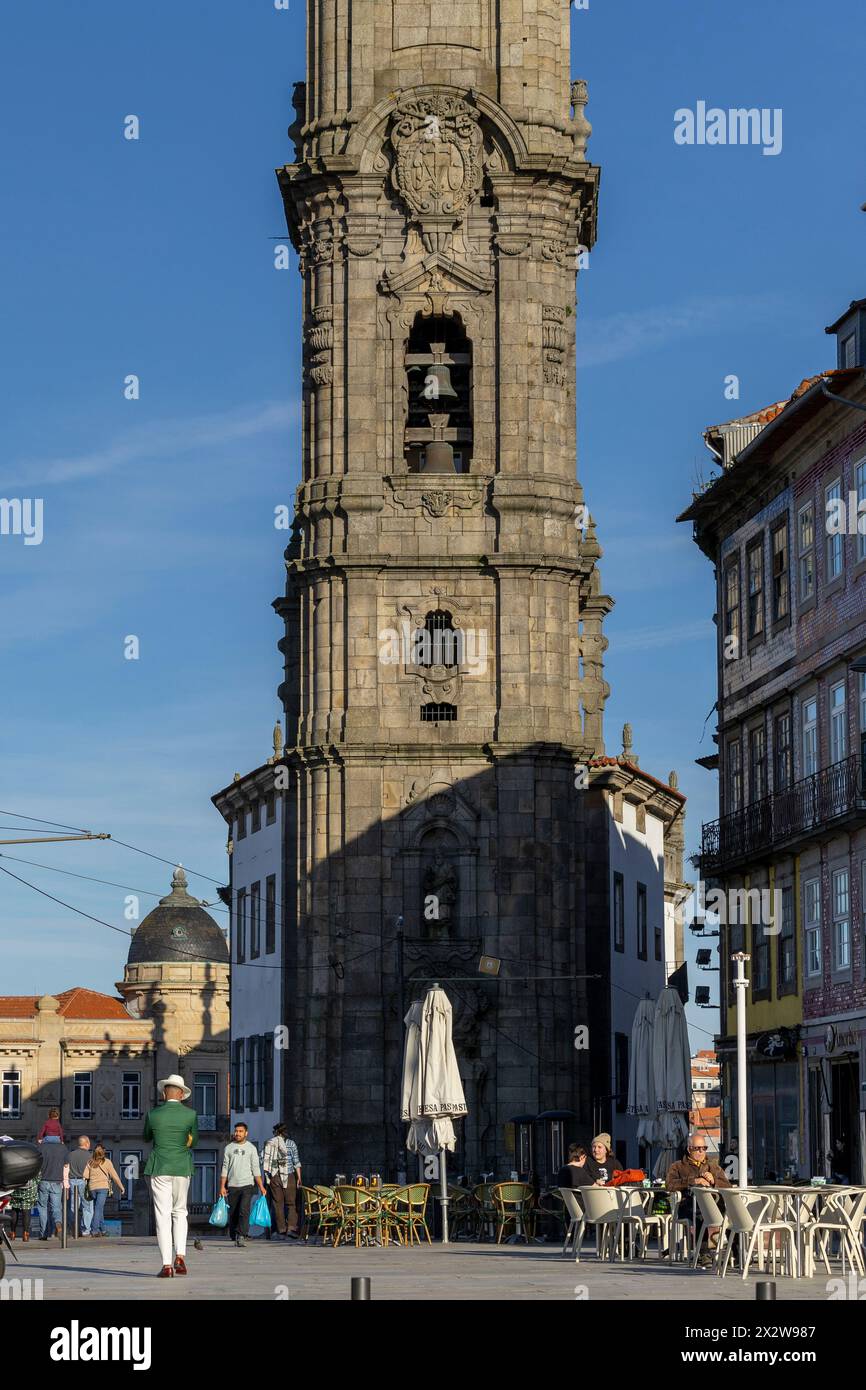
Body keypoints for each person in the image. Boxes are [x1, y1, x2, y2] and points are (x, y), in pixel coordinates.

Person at [143, 1072, 198, 1278]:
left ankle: (166, 1265)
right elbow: (196, 1141)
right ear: (182, 1095)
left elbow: (146, 1136)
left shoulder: (153, 1114)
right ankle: (181, 1256)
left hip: (160, 1167)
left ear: (164, 1094)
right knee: (180, 1211)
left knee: (162, 1215)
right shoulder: (190, 1115)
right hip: (182, 1167)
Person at [666, 1132, 731, 1267]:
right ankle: (704, 1253)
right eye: (698, 1148)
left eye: (704, 1148)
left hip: (714, 1204)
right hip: (687, 1206)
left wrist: (714, 1181)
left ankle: (733, 1252)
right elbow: (669, 1185)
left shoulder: (712, 1166)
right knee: (700, 1214)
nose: (701, 1152)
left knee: (731, 1212)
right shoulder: (677, 1166)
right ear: (689, 1149)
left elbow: (728, 1186)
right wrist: (693, 1181)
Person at [220, 1122, 266, 1248]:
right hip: (232, 1185)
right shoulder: (228, 1148)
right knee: (234, 1212)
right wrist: (222, 1186)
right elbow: (225, 1168)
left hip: (247, 1184)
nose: (237, 1133)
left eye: (240, 1131)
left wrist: (261, 1186)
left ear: (246, 1133)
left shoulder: (251, 1148)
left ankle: (241, 1235)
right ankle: (234, 1233)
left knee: (244, 1210)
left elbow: (256, 1169)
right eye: (236, 1131)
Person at [262, 1122, 302, 1239]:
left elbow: (263, 1158)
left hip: (275, 1176)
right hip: (289, 1175)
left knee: (278, 1204)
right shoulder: (291, 1144)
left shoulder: (270, 1143)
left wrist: (267, 1174)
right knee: (291, 1203)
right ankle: (291, 1228)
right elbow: (296, 1162)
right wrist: (299, 1178)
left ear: (276, 1132)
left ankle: (281, 1229)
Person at [83, 1145, 125, 1237]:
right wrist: (121, 1187)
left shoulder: (90, 1162)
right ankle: (94, 1230)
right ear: (103, 1152)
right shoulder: (107, 1162)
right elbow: (115, 1176)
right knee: (98, 1208)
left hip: (92, 1188)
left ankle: (103, 1230)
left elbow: (85, 1176)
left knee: (99, 1208)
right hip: (102, 1188)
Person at [36, 1137, 69, 1239]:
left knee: (43, 1207)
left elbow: (37, 1164)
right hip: (57, 1181)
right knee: (56, 1207)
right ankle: (58, 1224)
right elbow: (66, 1164)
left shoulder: (41, 1147)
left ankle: (43, 1234)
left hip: (43, 1180)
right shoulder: (63, 1148)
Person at [67, 1136, 94, 1235]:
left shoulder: (70, 1155)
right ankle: (85, 1229)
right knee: (87, 1206)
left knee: (73, 1207)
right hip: (84, 1182)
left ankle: (73, 1228)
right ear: (86, 1143)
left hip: (72, 1181)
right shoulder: (90, 1156)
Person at [8, 1175, 39, 1242]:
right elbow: (38, 1175)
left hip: (15, 1187)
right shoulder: (31, 1164)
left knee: (15, 1209)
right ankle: (25, 1234)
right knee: (26, 1210)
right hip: (29, 1188)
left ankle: (12, 1233)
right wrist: (36, 1182)